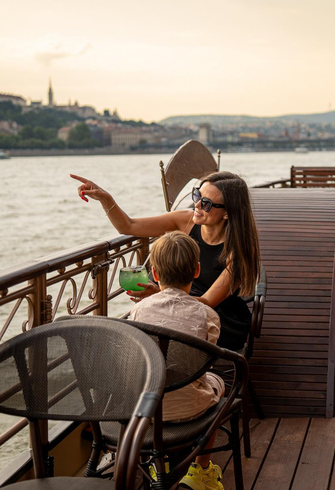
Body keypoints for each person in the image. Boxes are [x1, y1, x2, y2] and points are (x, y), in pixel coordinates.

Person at [70, 171, 260, 350]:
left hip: (220, 321)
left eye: (207, 203)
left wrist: (159, 294)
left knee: (149, 336)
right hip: (178, 309)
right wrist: (106, 198)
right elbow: (128, 226)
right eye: (196, 196)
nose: (197, 205)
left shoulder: (240, 250)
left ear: (228, 212)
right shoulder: (186, 221)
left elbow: (207, 302)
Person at [128, 231, 224, 490]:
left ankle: (159, 462)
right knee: (217, 383)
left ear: (155, 274)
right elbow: (205, 363)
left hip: (145, 413)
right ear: (196, 270)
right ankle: (201, 469)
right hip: (189, 411)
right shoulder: (207, 315)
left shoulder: (137, 311)